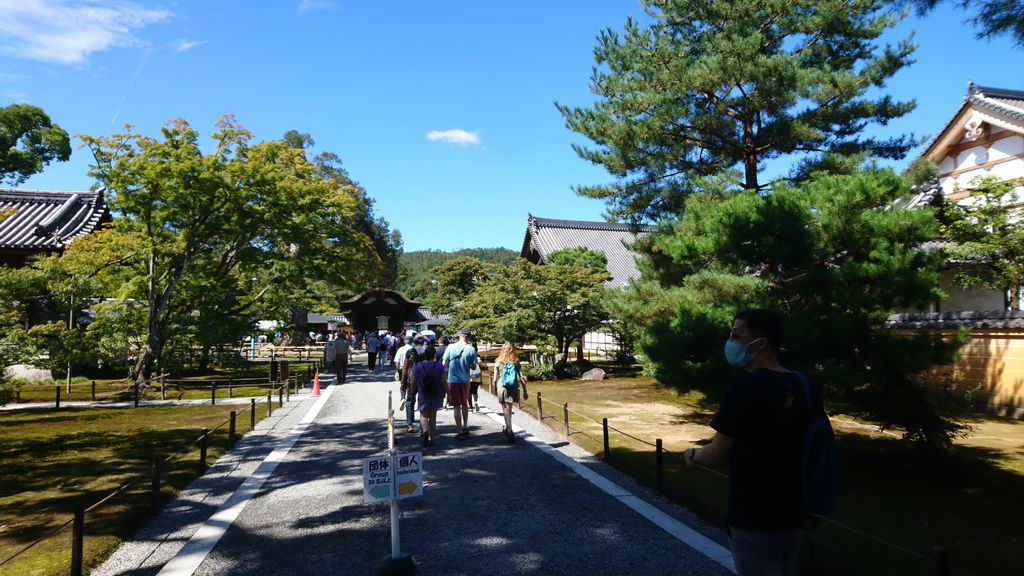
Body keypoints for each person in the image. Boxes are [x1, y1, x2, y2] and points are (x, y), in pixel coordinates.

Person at [684, 309, 809, 576]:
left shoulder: (742, 389)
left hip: (753, 513)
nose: (730, 342)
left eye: (735, 335)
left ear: (760, 343)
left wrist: (693, 455)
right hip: (795, 511)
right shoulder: (803, 385)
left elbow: (717, 453)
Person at [442, 328, 478, 439]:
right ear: (468, 337)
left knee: (456, 405)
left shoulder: (450, 347)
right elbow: (474, 366)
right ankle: (465, 426)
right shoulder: (471, 349)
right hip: (465, 380)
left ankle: (459, 430)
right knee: (465, 404)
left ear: (460, 336)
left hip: (453, 380)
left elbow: (444, 363)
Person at [412, 345, 447, 447]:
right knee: (433, 416)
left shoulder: (419, 366)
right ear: (434, 355)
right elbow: (444, 381)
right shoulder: (439, 365)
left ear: (424, 355)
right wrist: (448, 393)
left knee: (423, 416)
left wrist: (412, 393)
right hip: (436, 393)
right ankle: (431, 438)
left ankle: (425, 431)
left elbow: (413, 381)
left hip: (423, 394)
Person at [493, 342, 528, 443]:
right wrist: (525, 391)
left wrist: (495, 389)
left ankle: (509, 430)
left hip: (502, 387)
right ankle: (507, 427)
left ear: (502, 350)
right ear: (512, 350)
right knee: (509, 408)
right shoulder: (516, 361)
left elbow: (495, 379)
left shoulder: (498, 361)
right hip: (513, 387)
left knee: (505, 409)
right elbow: (522, 378)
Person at [400, 335, 428, 434]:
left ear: (414, 342)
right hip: (425, 379)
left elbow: (405, 367)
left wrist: (402, 381)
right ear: (424, 342)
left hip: (411, 379)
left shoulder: (410, 351)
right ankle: (422, 426)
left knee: (410, 401)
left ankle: (410, 425)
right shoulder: (427, 351)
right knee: (423, 402)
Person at [468, 341, 483, 411]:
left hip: (469, 377)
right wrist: (481, 380)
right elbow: (481, 370)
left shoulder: (467, 358)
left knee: (469, 392)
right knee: (475, 391)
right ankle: (476, 402)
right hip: (477, 377)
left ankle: (470, 407)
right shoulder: (478, 359)